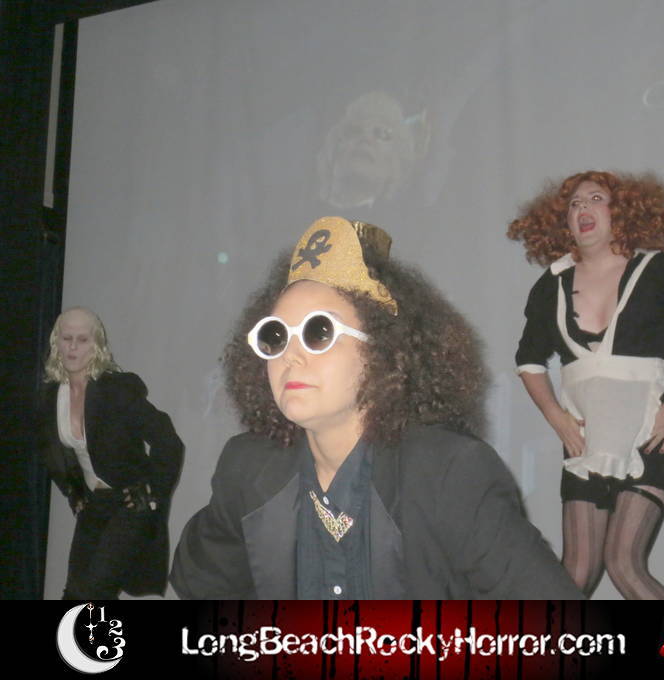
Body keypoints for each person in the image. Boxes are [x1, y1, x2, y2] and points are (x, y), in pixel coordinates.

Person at [171, 216, 581, 599]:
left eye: (318, 331)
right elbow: (201, 589)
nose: (290, 356)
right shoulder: (248, 469)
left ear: (383, 350)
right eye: (275, 336)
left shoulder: (448, 474)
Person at [507, 171, 664, 600]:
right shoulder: (550, 285)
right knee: (574, 573)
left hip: (650, 436)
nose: (583, 208)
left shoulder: (657, 271)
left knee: (623, 562)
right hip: (585, 443)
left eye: (596, 198)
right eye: (574, 204)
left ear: (622, 211)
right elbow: (528, 361)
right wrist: (556, 417)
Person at [39, 307, 183, 599]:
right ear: (56, 342)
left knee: (96, 591)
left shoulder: (117, 390)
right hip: (95, 503)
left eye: (82, 339)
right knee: (74, 592)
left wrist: (152, 490)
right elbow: (51, 450)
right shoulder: (52, 396)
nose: (73, 347)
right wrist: (73, 488)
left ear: (96, 345)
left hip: (129, 502)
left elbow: (168, 441)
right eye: (67, 338)